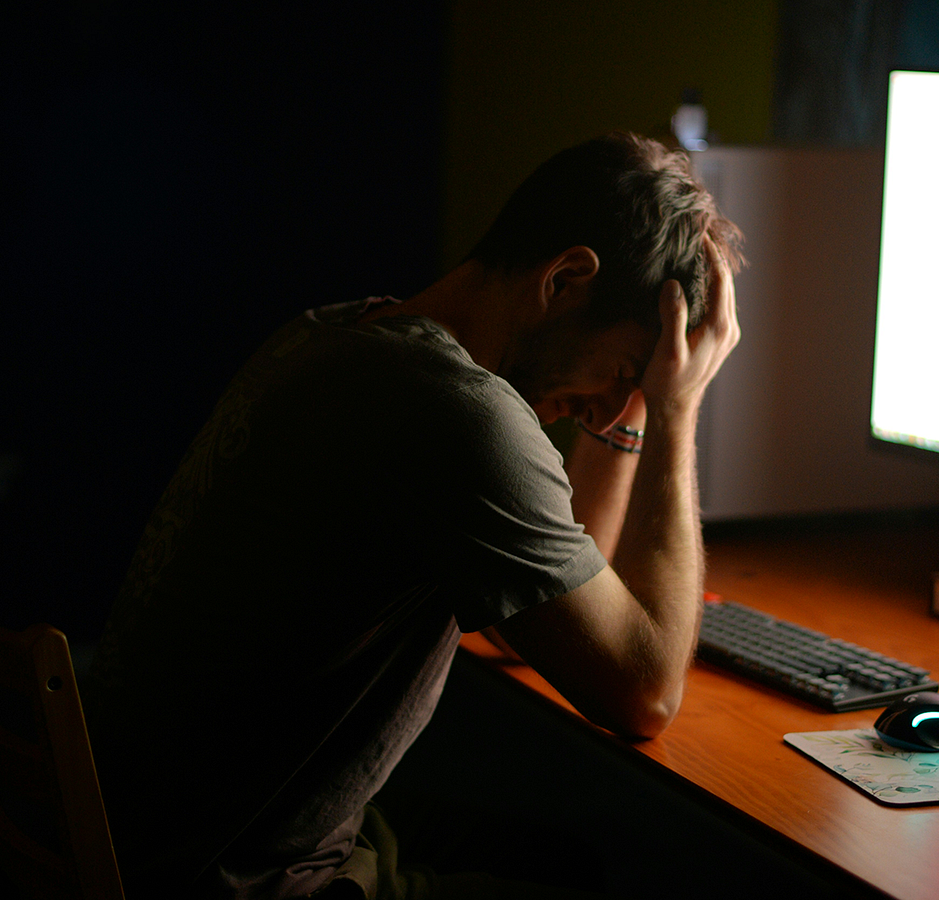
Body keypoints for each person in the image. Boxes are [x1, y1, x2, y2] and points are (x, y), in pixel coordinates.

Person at [82, 131, 743, 899]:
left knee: (563, 856)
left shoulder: (338, 335)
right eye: (625, 372)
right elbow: (645, 694)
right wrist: (675, 412)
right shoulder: (458, 413)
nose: (612, 404)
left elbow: (543, 612)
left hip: (157, 833)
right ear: (565, 279)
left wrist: (628, 408)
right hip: (236, 878)